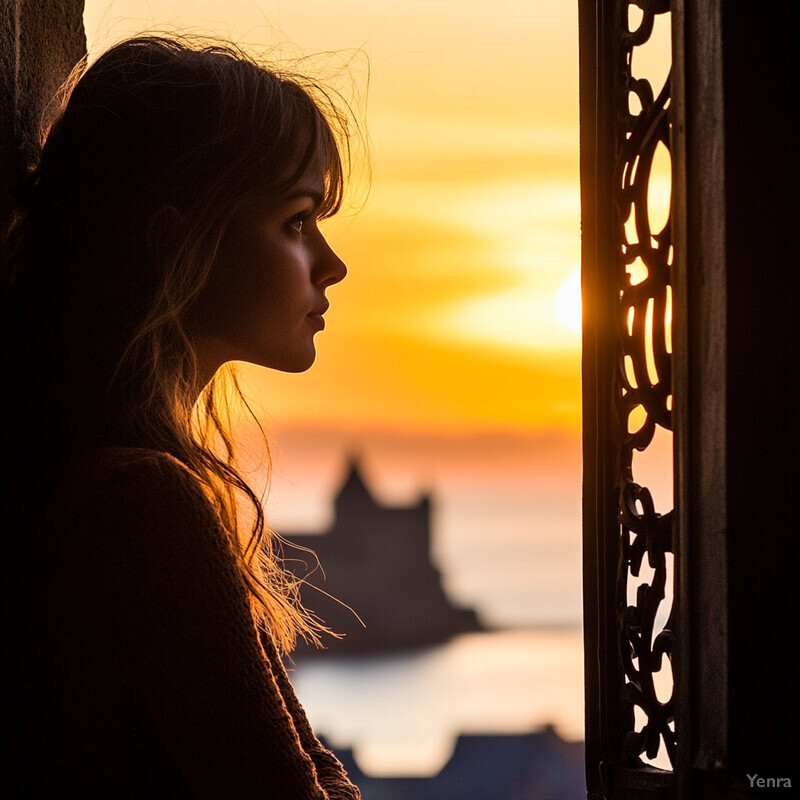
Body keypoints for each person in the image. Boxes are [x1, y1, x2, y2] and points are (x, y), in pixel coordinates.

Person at [2, 35, 359, 798]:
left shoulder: (108, 478)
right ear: (177, 243)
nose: (333, 264)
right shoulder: (142, 504)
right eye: (297, 222)